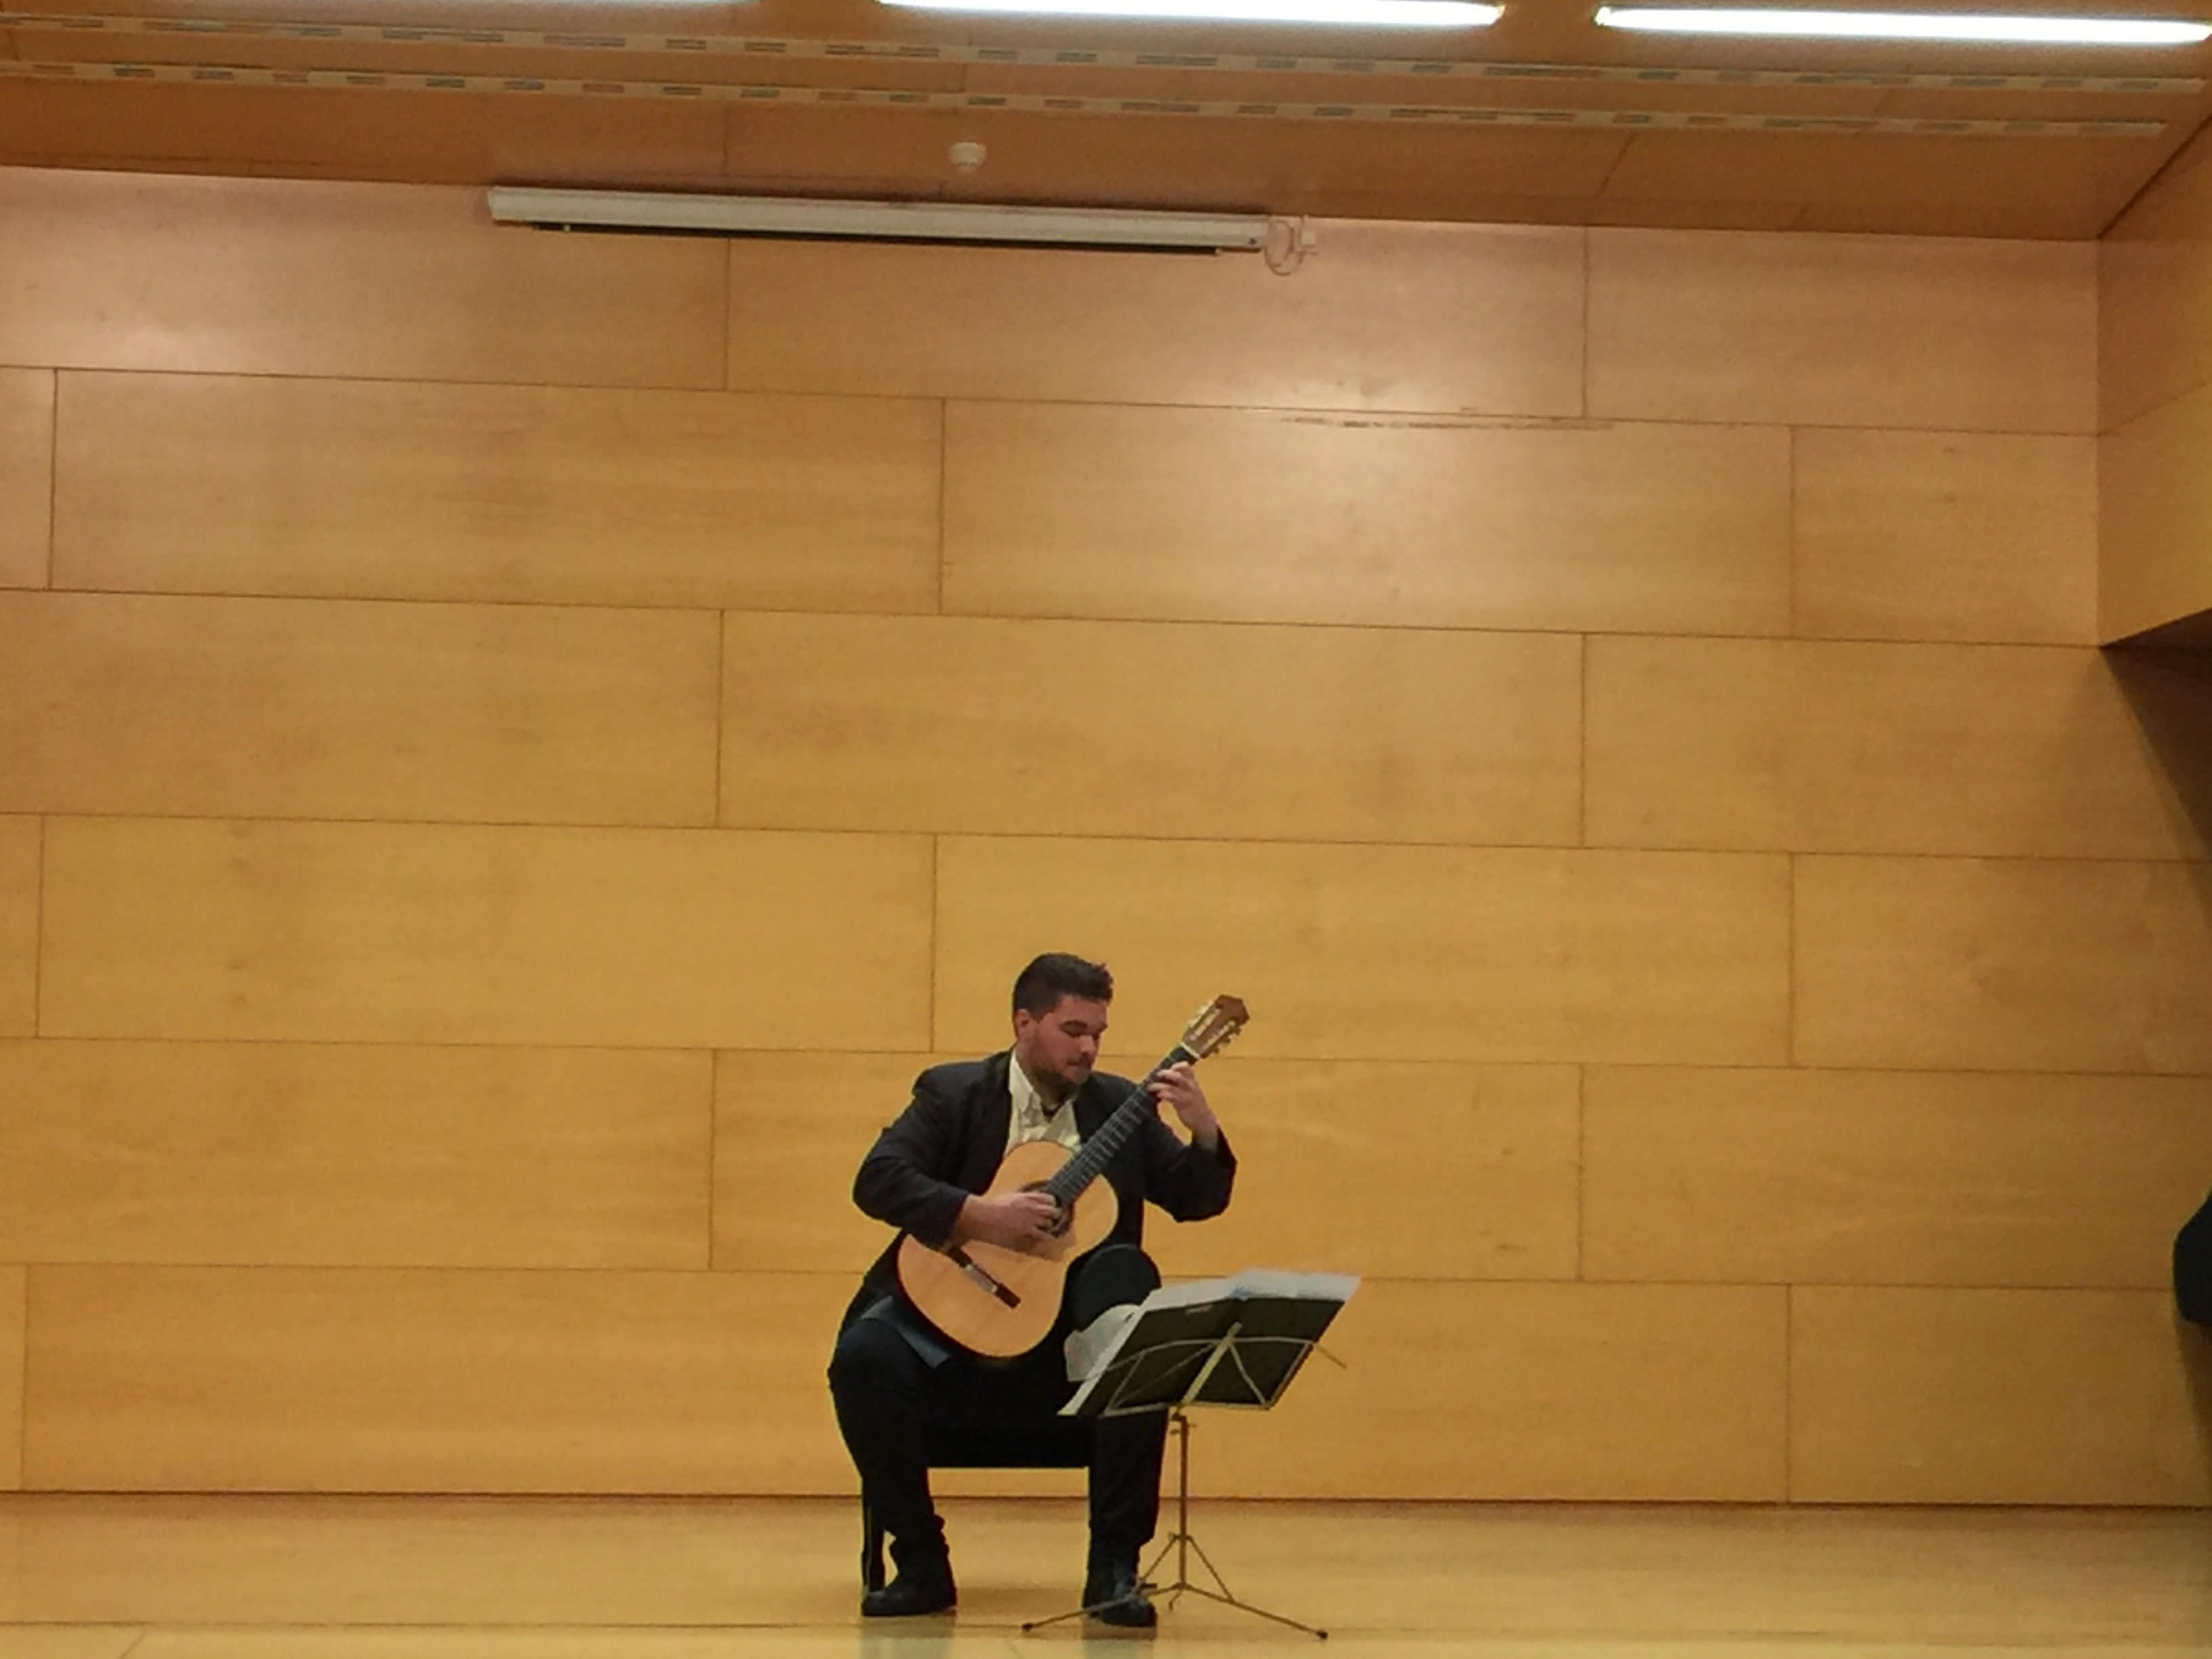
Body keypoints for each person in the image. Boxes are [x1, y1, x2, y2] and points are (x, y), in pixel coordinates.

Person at [827, 951, 1237, 1626]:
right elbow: (878, 1180)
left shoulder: (1120, 1108)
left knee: (1137, 1353)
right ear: (1025, 1023)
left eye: (1098, 1033)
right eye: (1073, 1030)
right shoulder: (955, 1094)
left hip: (1067, 1345)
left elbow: (1197, 1200)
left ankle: (1113, 1571)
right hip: (950, 1326)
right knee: (863, 1359)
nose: (1089, 1048)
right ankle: (922, 1561)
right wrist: (979, 1214)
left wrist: (1204, 1131)